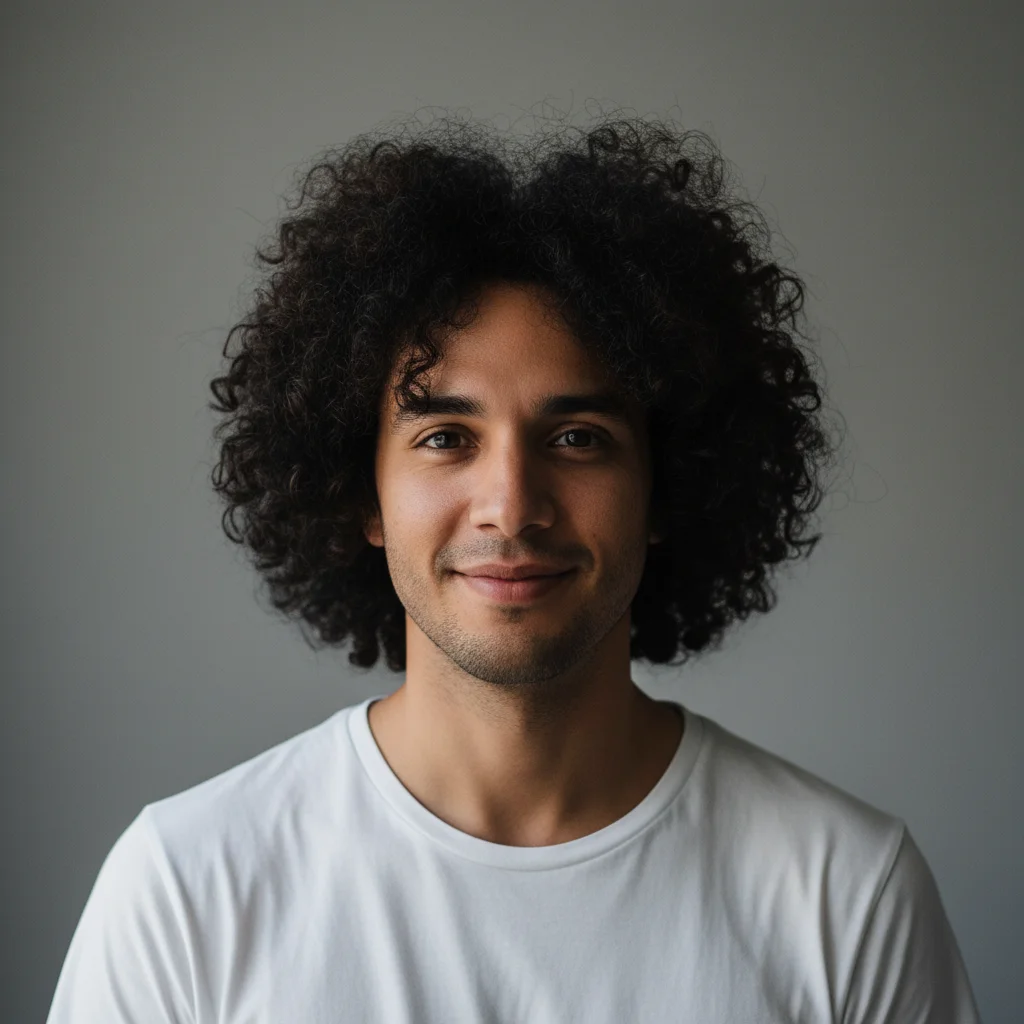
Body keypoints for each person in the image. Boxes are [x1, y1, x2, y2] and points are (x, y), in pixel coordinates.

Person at [47, 110, 980, 1022]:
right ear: (362, 493)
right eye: (446, 436)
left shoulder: (847, 895)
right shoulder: (186, 888)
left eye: (577, 437)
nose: (510, 504)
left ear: (669, 486)